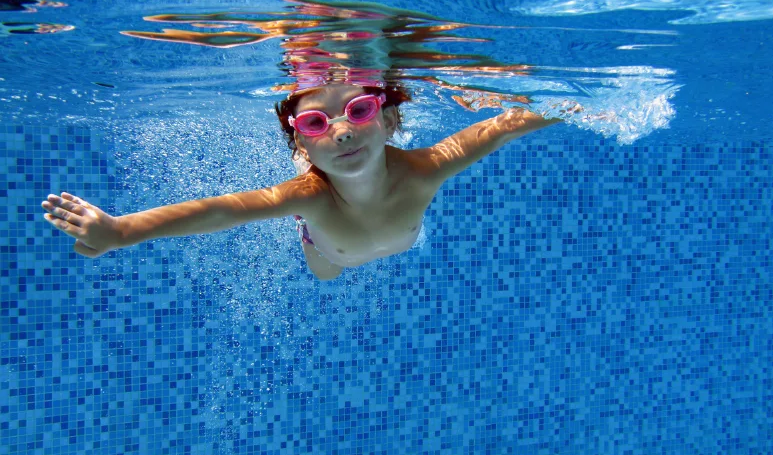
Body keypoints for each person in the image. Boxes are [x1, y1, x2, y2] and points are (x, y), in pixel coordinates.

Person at [42, 81, 565, 280]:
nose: (341, 132)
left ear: (386, 120)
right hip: (327, 248)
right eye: (316, 123)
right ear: (300, 140)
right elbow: (223, 210)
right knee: (325, 273)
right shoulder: (310, 198)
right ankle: (302, 204)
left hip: (398, 236)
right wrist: (123, 231)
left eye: (358, 111)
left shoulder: (426, 167)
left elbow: (500, 128)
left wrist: (573, 107)